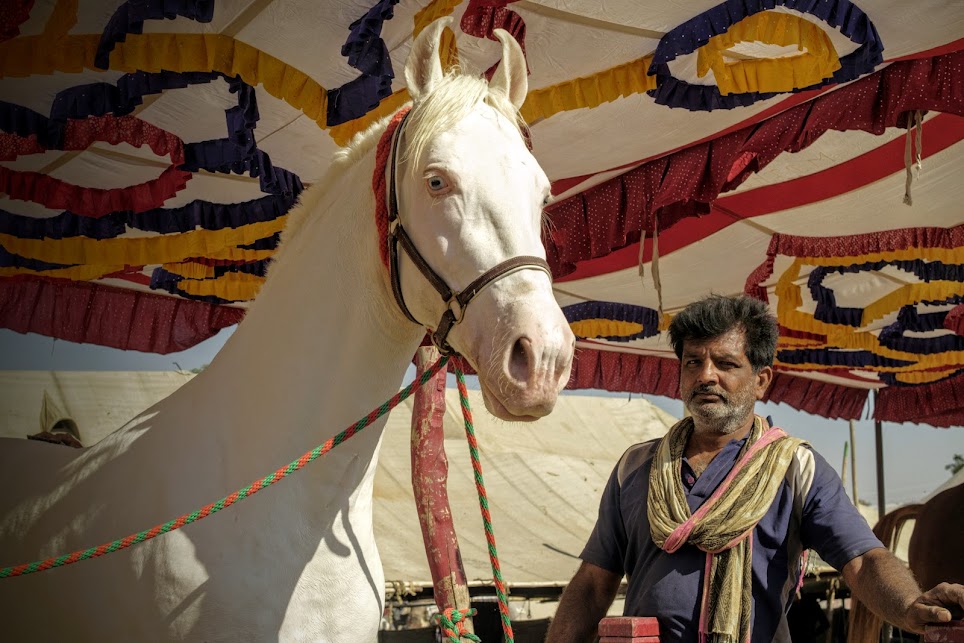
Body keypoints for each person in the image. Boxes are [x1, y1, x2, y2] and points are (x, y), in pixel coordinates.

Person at [546, 294, 964, 643]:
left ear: (761, 380)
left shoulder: (796, 467)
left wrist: (912, 606)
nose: (705, 376)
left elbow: (863, 561)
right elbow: (593, 583)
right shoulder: (635, 466)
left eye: (725, 364)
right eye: (693, 362)